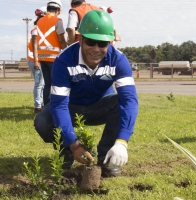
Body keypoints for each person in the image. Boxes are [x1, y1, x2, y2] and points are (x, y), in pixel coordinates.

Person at [34, 10, 138, 177]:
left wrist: (122, 142)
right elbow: (59, 105)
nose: (96, 49)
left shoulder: (118, 60)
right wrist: (73, 144)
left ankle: (106, 158)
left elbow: (129, 100)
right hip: (71, 107)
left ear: (110, 42)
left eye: (102, 43)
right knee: (43, 121)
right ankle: (67, 151)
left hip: (100, 106)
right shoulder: (64, 61)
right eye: (90, 41)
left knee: (120, 104)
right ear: (80, 39)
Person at [33, 0, 67, 106]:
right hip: (54, 58)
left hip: (42, 57)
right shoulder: (58, 21)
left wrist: (36, 59)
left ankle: (46, 107)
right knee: (55, 83)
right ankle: (55, 106)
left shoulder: (39, 21)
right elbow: (61, 40)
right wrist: (67, 50)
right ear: (57, 10)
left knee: (47, 84)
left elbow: (37, 41)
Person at [27, 6, 46, 113]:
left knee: (42, 83)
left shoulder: (39, 28)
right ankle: (38, 106)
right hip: (35, 60)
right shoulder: (37, 29)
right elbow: (34, 46)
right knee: (39, 84)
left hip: (38, 59)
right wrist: (36, 61)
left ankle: (41, 104)